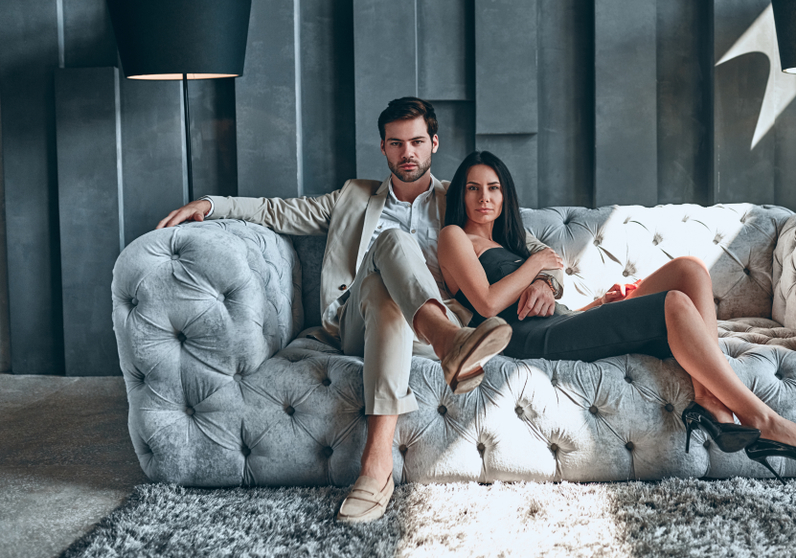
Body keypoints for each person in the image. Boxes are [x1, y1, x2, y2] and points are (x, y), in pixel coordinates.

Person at [155, 98, 564, 522]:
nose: (408, 152)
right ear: (383, 148)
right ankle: (447, 341)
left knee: (390, 293)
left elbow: (529, 247)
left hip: (420, 330)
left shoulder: (460, 197)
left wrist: (545, 281)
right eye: (396, 143)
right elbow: (274, 210)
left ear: (434, 144)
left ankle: (375, 468)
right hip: (357, 323)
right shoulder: (353, 198)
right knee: (392, 246)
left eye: (417, 142)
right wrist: (210, 204)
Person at [437, 150, 796, 479]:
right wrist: (535, 266)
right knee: (673, 304)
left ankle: (707, 401)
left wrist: (595, 305)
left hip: (562, 321)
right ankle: (763, 420)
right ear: (461, 195)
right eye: (473, 188)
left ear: (506, 194)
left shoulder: (510, 242)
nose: (483, 197)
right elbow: (489, 304)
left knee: (689, 270)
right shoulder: (456, 237)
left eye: (493, 188)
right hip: (530, 341)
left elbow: (548, 296)